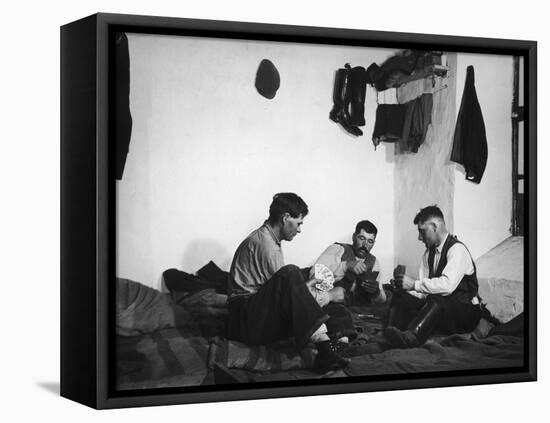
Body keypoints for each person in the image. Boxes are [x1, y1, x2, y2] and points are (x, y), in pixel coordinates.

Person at [226, 193, 348, 371]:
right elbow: (283, 292)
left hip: (255, 313)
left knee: (326, 298)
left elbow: (281, 294)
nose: (299, 230)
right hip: (244, 321)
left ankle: (336, 343)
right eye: (298, 223)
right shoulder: (265, 245)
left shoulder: (268, 239)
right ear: (285, 218)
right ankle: (325, 346)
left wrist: (308, 289)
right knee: (292, 273)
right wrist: (323, 295)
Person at [384, 205, 482, 348]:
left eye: (422, 231)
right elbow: (424, 293)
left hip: (465, 314)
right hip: (443, 312)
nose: (419, 237)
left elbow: (446, 286)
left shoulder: (457, 250)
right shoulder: (428, 254)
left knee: (438, 296)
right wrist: (405, 288)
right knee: (400, 295)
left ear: (435, 226)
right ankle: (393, 333)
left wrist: (413, 284)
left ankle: (412, 338)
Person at [310, 220, 386, 307]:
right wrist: (345, 266)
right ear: (354, 237)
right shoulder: (337, 249)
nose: (365, 245)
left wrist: (376, 293)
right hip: (330, 305)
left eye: (370, 241)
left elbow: (382, 299)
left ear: (373, 243)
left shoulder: (374, 262)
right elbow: (313, 277)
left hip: (357, 311)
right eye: (361, 238)